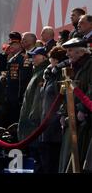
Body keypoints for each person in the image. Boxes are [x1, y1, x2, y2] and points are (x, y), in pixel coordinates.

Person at [59, 38, 92, 172]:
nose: (67, 54)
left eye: (70, 50)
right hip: (72, 119)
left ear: (81, 52)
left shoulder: (90, 66)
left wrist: (82, 110)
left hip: (85, 121)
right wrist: (63, 112)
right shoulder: (73, 68)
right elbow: (66, 93)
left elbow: (90, 90)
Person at [17, 47, 50, 172]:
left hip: (36, 123)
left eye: (35, 56)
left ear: (44, 57)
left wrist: (33, 117)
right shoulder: (36, 72)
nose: (32, 59)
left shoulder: (43, 72)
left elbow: (39, 99)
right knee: (35, 159)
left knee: (40, 160)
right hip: (31, 123)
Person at [39, 46, 68, 173]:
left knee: (53, 161)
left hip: (55, 125)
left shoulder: (60, 75)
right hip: (46, 123)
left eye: (51, 59)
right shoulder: (50, 75)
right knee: (46, 160)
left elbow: (62, 98)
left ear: (56, 60)